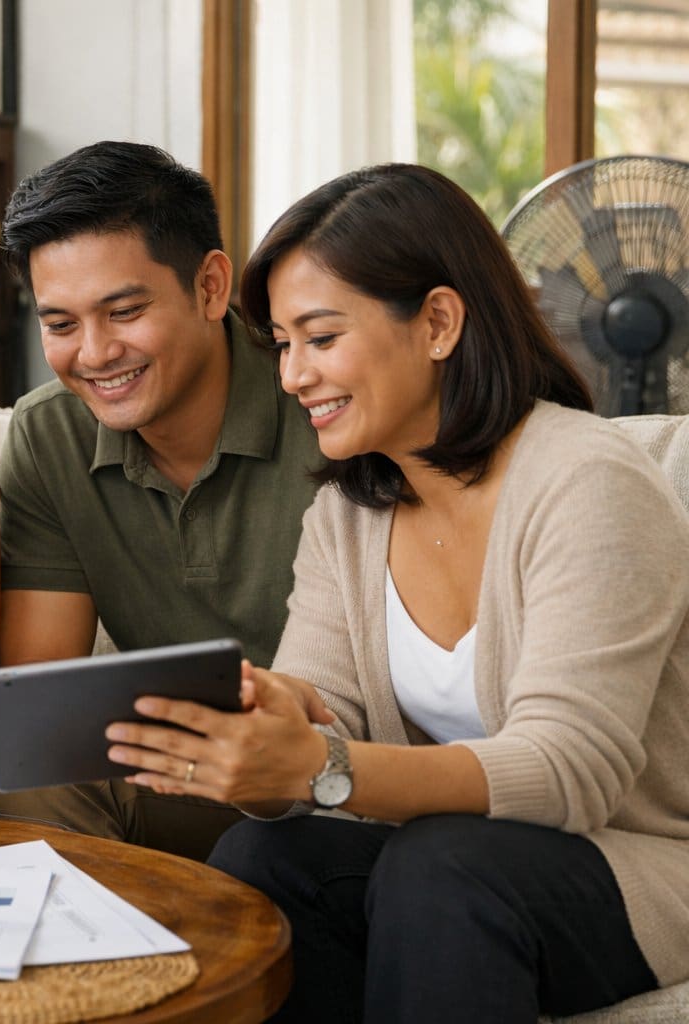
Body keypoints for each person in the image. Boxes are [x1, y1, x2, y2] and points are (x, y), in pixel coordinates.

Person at [105, 163, 689, 1021]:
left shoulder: (589, 481)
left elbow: (572, 769)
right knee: (265, 859)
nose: (293, 375)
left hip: (637, 862)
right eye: (283, 344)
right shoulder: (346, 514)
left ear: (440, 323)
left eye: (321, 337)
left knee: (439, 866)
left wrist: (321, 765)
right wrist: (260, 730)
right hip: (457, 871)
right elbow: (322, 717)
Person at [0, 141, 324, 859]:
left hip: (338, 769)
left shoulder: (322, 402)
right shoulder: (49, 436)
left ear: (210, 286)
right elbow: (43, 704)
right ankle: (97, 972)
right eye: (60, 324)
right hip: (185, 781)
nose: (96, 352)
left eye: (125, 310)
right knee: (38, 774)